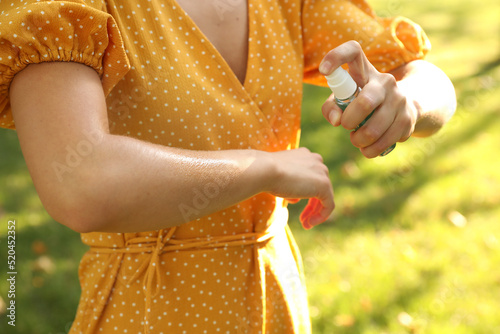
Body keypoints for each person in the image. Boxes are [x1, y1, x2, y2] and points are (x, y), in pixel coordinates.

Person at [0, 0, 456, 333]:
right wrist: (263, 169)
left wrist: (405, 102)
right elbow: (79, 182)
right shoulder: (58, 8)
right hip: (149, 310)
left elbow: (427, 79)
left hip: (274, 299)